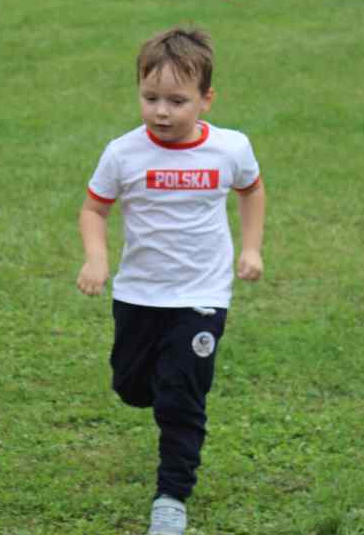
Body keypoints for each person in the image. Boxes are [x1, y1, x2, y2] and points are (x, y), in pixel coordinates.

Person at [77, 27, 265, 535]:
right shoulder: (123, 153)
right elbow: (94, 209)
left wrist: (251, 248)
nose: (161, 112)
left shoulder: (230, 148)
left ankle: (171, 496)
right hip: (138, 293)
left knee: (181, 397)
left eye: (177, 101)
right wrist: (97, 259)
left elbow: (251, 190)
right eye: (150, 98)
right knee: (132, 387)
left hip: (203, 294)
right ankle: (161, 390)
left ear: (206, 100)